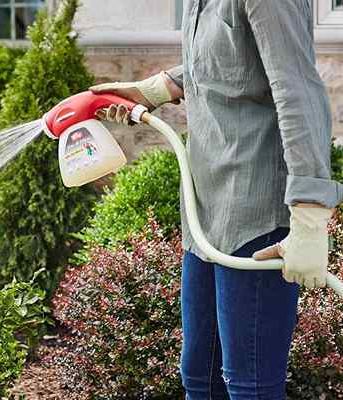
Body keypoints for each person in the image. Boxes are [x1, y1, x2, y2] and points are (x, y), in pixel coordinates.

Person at [90, 1, 343, 399]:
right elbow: (228, 58)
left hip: (256, 216)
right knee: (200, 381)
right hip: (207, 215)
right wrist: (156, 89)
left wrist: (310, 215)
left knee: (250, 386)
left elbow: (299, 94)